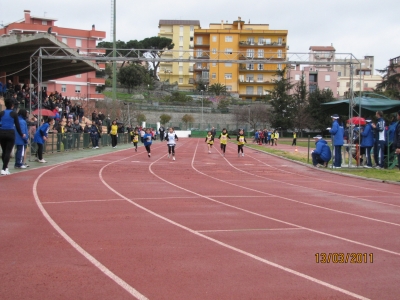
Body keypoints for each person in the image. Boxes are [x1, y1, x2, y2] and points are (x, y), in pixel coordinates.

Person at [0, 98, 26, 175]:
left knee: (4, 151)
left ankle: (5, 168)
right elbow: (17, 126)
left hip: (1, 132)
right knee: (8, 151)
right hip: (10, 133)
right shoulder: (14, 114)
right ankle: (4, 168)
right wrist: (22, 134)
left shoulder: (1, 113)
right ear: (12, 105)